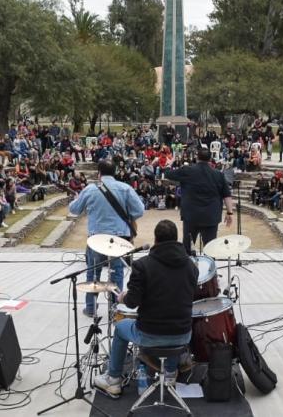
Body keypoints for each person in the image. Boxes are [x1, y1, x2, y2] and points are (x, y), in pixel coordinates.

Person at [93, 220, 198, 398]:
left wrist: (123, 297)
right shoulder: (192, 267)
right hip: (183, 335)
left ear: (155, 239)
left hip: (150, 335)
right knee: (173, 323)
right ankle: (170, 373)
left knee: (120, 328)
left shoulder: (142, 266)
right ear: (176, 239)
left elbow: (132, 303)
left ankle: (113, 380)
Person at [68, 159, 145, 318]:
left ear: (99, 173)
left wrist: (76, 197)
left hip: (96, 239)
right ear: (115, 172)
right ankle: (115, 309)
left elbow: (74, 210)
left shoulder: (90, 189)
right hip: (118, 239)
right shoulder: (125, 188)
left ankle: (91, 308)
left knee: (93, 275)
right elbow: (139, 210)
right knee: (116, 273)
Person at [164, 148, 235, 254]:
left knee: (187, 248)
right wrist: (229, 212)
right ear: (210, 159)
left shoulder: (187, 170)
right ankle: (210, 269)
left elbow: (168, 174)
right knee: (210, 249)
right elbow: (227, 195)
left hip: (191, 216)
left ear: (197, 158)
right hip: (211, 217)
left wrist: (169, 164)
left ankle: (186, 269)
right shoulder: (218, 174)